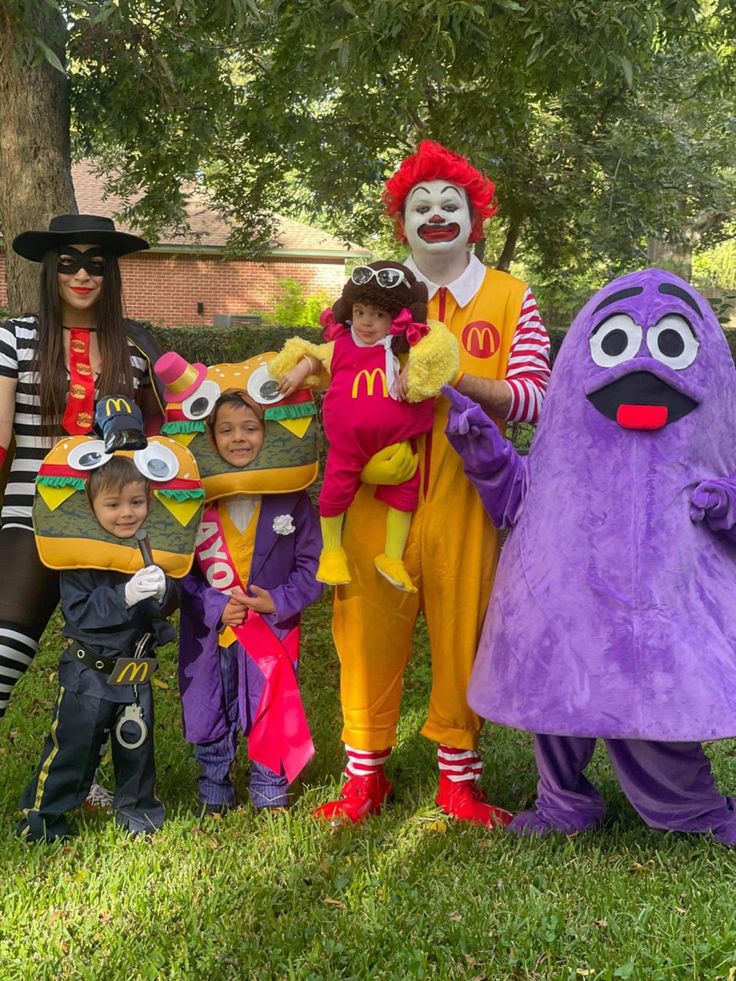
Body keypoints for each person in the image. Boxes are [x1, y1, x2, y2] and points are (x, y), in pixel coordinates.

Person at [445, 269, 736, 844]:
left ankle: (693, 810)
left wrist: (726, 507)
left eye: (671, 346)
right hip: (564, 607)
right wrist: (486, 455)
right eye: (619, 345)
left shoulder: (708, 451)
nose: (642, 369)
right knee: (556, 702)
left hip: (660, 613)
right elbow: (517, 501)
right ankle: (564, 803)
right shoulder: (564, 452)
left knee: (652, 713)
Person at [315, 141, 551, 827]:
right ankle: (365, 780)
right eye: (422, 205)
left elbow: (536, 397)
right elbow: (330, 376)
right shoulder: (366, 298)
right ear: (402, 223)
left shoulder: (511, 298)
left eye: (453, 204)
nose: (437, 214)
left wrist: (454, 380)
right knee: (363, 629)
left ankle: (460, 781)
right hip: (371, 496)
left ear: (476, 220)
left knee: (463, 632)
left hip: (465, 493)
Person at [0, 214, 163, 739]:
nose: (82, 275)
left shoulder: (136, 350)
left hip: (110, 526)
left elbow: (161, 445)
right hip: (29, 511)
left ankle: (79, 773)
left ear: (110, 275)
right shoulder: (13, 338)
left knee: (103, 660)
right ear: (51, 270)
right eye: (69, 263)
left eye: (97, 264)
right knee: (6, 648)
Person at [18, 402, 176, 842]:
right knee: (72, 749)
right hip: (89, 674)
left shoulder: (149, 546)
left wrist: (165, 594)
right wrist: (124, 595)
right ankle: (42, 820)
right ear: (92, 507)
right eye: (113, 504)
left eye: (136, 502)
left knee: (136, 751)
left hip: (136, 673)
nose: (127, 513)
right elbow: (80, 611)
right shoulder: (80, 555)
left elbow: (163, 610)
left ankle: (139, 819)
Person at [175, 388, 323, 813]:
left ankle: (269, 790)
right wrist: (214, 604)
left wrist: (277, 600)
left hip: (270, 629)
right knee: (211, 706)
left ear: (267, 433)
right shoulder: (194, 501)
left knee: (268, 704)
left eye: (250, 428)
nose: (238, 438)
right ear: (210, 436)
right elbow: (179, 569)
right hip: (213, 630)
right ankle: (215, 792)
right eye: (226, 430)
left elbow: (313, 565)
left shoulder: (291, 497)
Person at [272, 260, 458, 593]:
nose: (367, 322)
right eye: (360, 312)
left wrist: (411, 367)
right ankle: (332, 551)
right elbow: (315, 356)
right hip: (347, 447)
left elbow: (439, 351)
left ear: (397, 319)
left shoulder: (401, 350)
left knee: (405, 494)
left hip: (395, 445)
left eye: (378, 315)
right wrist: (300, 371)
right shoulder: (342, 345)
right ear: (349, 312)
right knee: (332, 495)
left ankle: (392, 557)